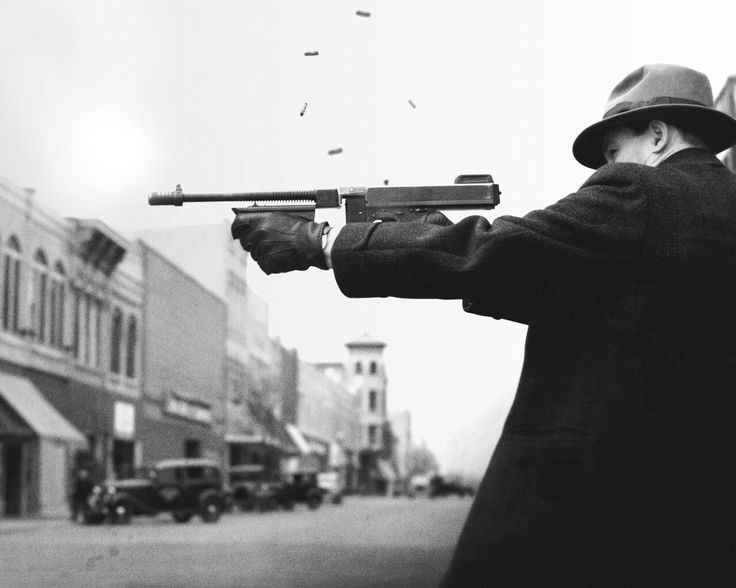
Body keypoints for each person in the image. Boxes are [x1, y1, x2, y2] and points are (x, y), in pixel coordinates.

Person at [231, 64, 736, 586]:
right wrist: (430, 235)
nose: (608, 167)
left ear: (657, 136)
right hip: (700, 509)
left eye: (612, 152)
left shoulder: (642, 192)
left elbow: (498, 254)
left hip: (596, 510)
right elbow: (549, 282)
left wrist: (321, 242)